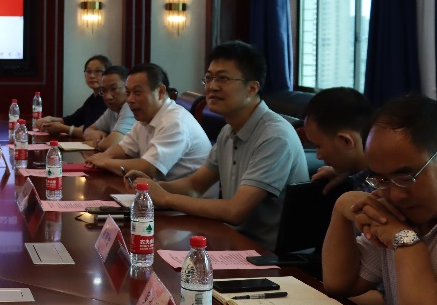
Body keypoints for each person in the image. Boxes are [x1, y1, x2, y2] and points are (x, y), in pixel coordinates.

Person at [122, 41, 308, 250]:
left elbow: (235, 212)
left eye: (223, 79)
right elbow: (194, 186)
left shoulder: (275, 136)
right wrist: (148, 187)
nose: (212, 87)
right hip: (231, 240)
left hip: (266, 256)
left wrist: (165, 197)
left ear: (252, 88)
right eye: (209, 78)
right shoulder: (228, 131)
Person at [322, 95, 437, 305]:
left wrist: (407, 242)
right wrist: (341, 209)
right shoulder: (399, 212)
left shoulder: (403, 223)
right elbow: (340, 284)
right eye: (382, 180)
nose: (395, 195)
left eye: (405, 177)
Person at [86, 62, 213, 191]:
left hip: (185, 201)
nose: (129, 99)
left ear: (160, 92)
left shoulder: (174, 122)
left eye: (137, 92)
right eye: (128, 93)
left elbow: (149, 168)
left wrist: (106, 162)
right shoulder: (145, 118)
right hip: (159, 193)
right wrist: (104, 157)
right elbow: (123, 149)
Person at [303, 87, 374, 194]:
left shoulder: (377, 193)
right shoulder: (357, 175)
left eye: (318, 146)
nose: (318, 156)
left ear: (346, 141)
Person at [37, 54, 110, 136]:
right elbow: (74, 119)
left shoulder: (108, 100)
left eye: (98, 71)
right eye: (89, 71)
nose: (92, 76)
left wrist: (63, 128)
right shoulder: (93, 98)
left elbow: (92, 132)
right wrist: (50, 119)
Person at [81, 65, 135, 149]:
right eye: (104, 90)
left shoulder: (130, 107)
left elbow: (111, 143)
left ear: (127, 88)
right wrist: (98, 136)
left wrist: (97, 143)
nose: (108, 97)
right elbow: (87, 131)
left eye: (113, 89)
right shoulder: (112, 109)